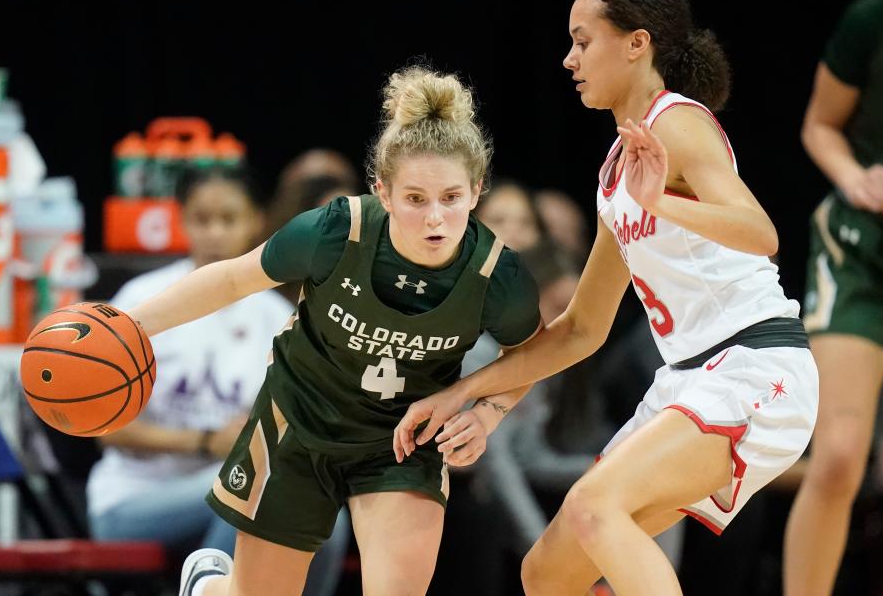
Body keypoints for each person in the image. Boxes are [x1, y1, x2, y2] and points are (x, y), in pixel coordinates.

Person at [394, 0, 819, 595]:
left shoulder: (678, 123)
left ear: (637, 43)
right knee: (547, 574)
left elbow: (761, 233)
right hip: (687, 379)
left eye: (583, 40)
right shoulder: (617, 174)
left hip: (753, 366)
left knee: (597, 510)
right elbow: (578, 332)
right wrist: (475, 400)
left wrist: (663, 204)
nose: (569, 59)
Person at [123, 67, 542, 596]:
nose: (435, 217)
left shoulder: (496, 274)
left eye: (451, 197)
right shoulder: (336, 232)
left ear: (477, 190)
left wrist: (488, 412)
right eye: (415, 198)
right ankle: (210, 586)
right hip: (298, 423)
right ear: (383, 192)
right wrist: (133, 325)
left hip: (400, 441)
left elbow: (531, 352)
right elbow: (232, 278)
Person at [86, 165, 294, 561]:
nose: (214, 232)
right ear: (181, 220)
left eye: (228, 219)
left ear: (256, 221)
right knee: (250, 498)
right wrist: (204, 442)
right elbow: (103, 427)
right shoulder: (142, 300)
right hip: (134, 498)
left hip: (232, 488)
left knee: (319, 512)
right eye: (202, 219)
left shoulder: (274, 314)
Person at [783, 0, 883, 596]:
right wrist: (854, 177)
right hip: (864, 250)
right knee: (836, 455)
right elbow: (820, 125)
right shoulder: (875, 19)